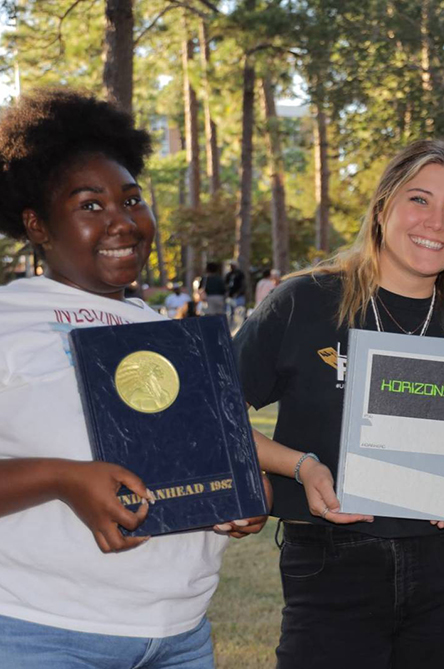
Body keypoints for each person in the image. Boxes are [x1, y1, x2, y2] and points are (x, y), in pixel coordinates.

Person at [0, 89, 269, 668]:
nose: (122, 221)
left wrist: (245, 497)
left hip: (181, 635)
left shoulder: (173, 335)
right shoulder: (8, 320)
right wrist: (62, 478)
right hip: (44, 632)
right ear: (37, 224)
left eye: (131, 200)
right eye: (90, 205)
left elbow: (219, 456)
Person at [234, 139, 444, 669]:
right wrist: (300, 466)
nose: (435, 222)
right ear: (383, 207)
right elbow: (217, 418)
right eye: (419, 199)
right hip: (332, 564)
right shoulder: (305, 302)